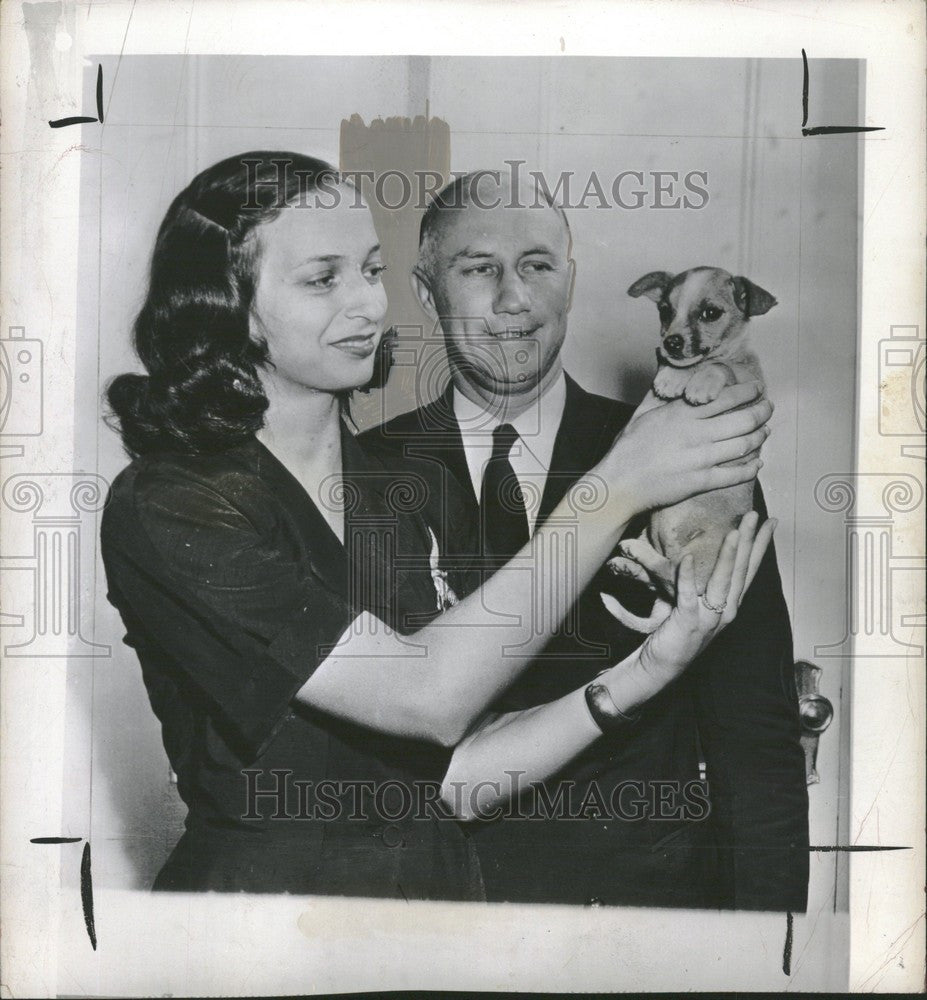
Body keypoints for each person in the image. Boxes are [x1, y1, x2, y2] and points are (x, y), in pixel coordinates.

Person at [101, 151, 774, 900]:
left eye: (369, 272)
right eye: (323, 279)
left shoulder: (390, 490)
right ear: (228, 306)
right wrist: (615, 486)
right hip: (272, 932)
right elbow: (426, 697)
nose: (368, 306)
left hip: (433, 918)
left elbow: (461, 779)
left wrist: (650, 668)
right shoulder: (172, 503)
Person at [360, 169, 810, 911]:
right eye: (479, 269)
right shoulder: (364, 471)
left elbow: (754, 734)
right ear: (425, 287)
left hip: (641, 916)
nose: (515, 298)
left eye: (537, 266)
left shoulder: (691, 448)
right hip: (431, 918)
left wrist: (773, 954)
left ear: (567, 281)